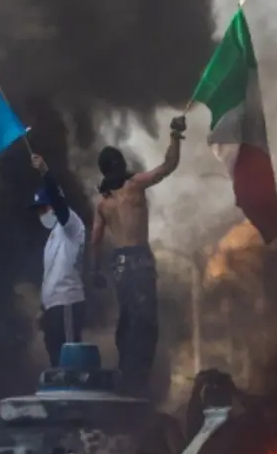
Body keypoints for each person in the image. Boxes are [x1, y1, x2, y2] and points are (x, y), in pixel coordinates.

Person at [88, 115, 186, 395]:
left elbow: (95, 241)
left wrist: (94, 272)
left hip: (119, 266)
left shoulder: (103, 204)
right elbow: (168, 166)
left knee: (129, 318)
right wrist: (175, 136)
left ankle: (127, 372)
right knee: (145, 323)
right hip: (139, 262)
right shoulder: (135, 186)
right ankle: (136, 379)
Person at [29, 152, 88, 366]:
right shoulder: (53, 237)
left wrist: (45, 172)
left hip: (67, 304)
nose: (40, 214)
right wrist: (43, 308)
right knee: (56, 360)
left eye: (43, 208)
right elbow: (52, 275)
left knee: (70, 360)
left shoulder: (71, 225)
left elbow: (58, 199)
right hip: (53, 308)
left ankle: (75, 399)